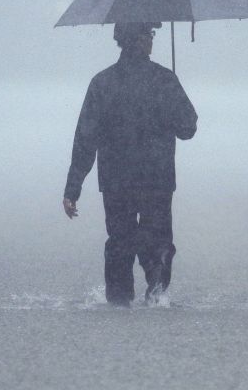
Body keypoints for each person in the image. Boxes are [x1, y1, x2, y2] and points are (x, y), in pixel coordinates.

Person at [63, 21, 198, 307]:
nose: (152, 40)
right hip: (157, 179)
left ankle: (119, 302)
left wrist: (72, 188)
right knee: (158, 242)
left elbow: (85, 138)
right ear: (136, 40)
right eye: (149, 34)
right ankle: (156, 296)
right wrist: (170, 110)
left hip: (116, 180)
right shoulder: (164, 80)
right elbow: (188, 128)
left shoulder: (102, 83)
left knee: (119, 243)